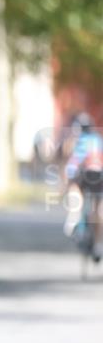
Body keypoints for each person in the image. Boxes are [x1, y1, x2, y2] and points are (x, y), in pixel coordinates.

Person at [63, 112, 103, 262]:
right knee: (98, 208)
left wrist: (67, 180)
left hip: (85, 173)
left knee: (75, 190)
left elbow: (73, 165)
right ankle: (99, 245)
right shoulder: (99, 139)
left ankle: (73, 217)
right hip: (99, 176)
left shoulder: (80, 140)